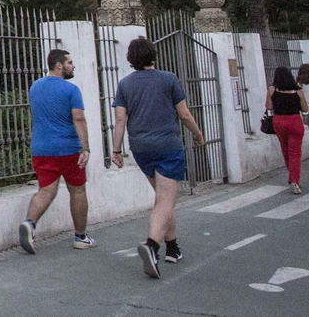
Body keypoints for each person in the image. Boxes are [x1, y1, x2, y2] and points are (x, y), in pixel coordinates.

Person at [110, 36, 205, 280]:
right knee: (165, 200)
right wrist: (198, 134)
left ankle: (173, 248)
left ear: (131, 60)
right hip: (167, 145)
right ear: (153, 55)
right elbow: (183, 114)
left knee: (164, 197)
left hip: (141, 147)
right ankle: (152, 246)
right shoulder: (168, 79)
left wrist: (117, 150)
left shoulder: (125, 84)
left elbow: (121, 119)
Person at [20, 48, 95, 254]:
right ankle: (81, 236)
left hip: (41, 149)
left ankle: (30, 223)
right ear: (59, 65)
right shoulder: (71, 90)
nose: (73, 66)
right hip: (68, 149)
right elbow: (78, 118)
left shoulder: (35, 87)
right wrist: (85, 148)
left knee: (45, 190)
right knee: (77, 190)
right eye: (70, 62)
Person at [268, 66, 306, 194]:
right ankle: (295, 180)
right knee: (295, 152)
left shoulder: (272, 89)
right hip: (295, 120)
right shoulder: (298, 90)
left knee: (286, 150)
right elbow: (305, 108)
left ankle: (293, 176)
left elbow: (268, 106)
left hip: (279, 121)